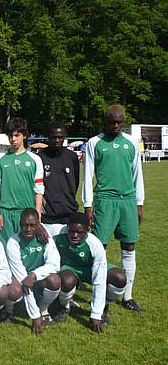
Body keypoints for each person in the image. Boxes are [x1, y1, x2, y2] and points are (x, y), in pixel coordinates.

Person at [82, 104, 145, 312]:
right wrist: (88, 205)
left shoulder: (132, 143)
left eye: (119, 122)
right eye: (112, 122)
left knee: (129, 246)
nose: (115, 125)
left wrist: (139, 203)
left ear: (124, 122)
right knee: (100, 249)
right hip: (104, 200)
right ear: (105, 122)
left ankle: (127, 296)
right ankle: (101, 297)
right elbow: (88, 175)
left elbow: (137, 174)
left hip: (127, 200)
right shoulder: (94, 143)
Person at [53, 212, 126, 333]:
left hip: (91, 270)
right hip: (70, 268)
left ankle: (104, 306)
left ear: (87, 230)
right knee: (66, 279)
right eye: (71, 231)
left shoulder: (95, 245)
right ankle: (64, 307)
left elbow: (99, 279)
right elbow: (40, 226)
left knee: (119, 278)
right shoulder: (58, 232)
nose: (74, 235)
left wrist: (96, 314)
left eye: (80, 232)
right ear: (67, 227)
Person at [5, 208, 61, 335]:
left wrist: (34, 275)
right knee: (14, 291)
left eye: (32, 225)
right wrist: (34, 316)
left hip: (36, 278)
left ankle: (43, 309)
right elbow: (23, 280)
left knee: (55, 280)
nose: (28, 229)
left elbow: (54, 264)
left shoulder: (45, 238)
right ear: (20, 224)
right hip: (20, 280)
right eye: (25, 225)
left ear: (38, 225)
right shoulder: (12, 243)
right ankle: (8, 310)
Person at [0, 117, 44, 246]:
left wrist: (37, 213)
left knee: (25, 250)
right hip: (6, 213)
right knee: (5, 250)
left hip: (26, 212)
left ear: (24, 136)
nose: (13, 139)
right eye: (10, 135)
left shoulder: (35, 159)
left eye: (17, 135)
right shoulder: (0, 159)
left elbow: (39, 189)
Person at [38, 121, 80, 237]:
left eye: (60, 137)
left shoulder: (72, 157)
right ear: (48, 137)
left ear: (64, 137)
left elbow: (75, 182)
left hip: (68, 214)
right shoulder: (40, 157)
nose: (56, 140)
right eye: (53, 137)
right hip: (48, 216)